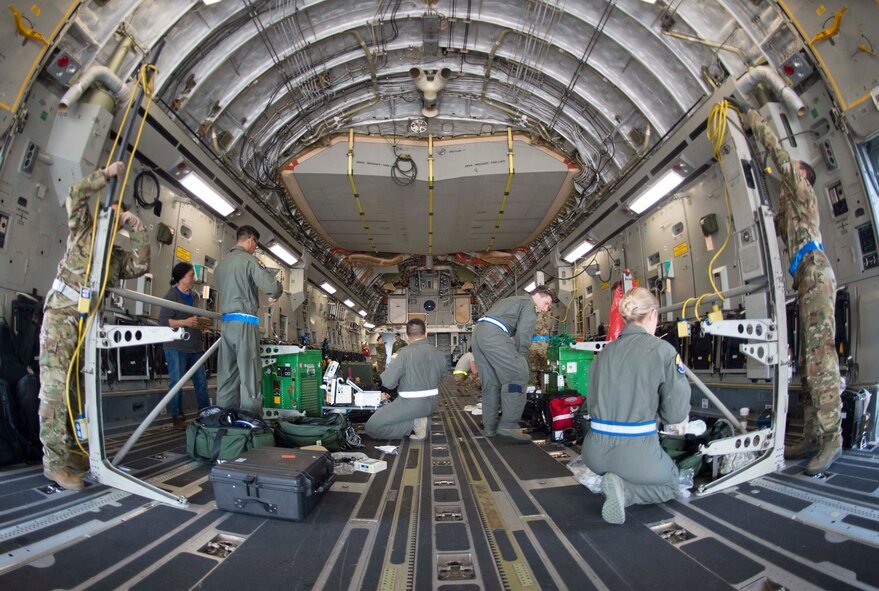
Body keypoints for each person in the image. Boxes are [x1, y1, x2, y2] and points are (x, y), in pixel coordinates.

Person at [39, 161, 150, 491]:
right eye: (112, 214)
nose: (114, 221)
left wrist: (139, 228)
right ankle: (53, 463)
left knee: (77, 393)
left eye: (120, 218)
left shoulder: (115, 257)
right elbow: (75, 193)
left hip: (86, 326)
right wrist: (106, 175)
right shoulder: (83, 230)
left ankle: (73, 450)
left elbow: (141, 263)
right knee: (56, 389)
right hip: (61, 316)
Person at [748, 109, 842, 474]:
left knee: (821, 358)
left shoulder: (802, 192)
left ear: (802, 177)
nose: (784, 178)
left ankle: (832, 437)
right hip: (804, 277)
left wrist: (757, 124)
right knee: (807, 361)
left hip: (815, 273)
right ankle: (815, 434)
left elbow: (781, 160)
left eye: (791, 173)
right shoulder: (791, 209)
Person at [581, 288, 690, 525]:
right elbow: (675, 414)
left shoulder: (603, 355)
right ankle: (626, 491)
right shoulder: (662, 350)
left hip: (594, 454)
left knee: (627, 464)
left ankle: (613, 480)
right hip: (636, 453)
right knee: (671, 483)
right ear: (652, 315)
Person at [471, 285, 557, 440]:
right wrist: (520, 357)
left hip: (478, 332)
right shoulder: (528, 304)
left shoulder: (512, 300)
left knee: (491, 383)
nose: (545, 309)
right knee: (518, 375)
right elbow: (523, 334)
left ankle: (490, 428)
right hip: (494, 333)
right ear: (537, 295)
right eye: (546, 303)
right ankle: (509, 425)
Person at [214, 225, 283, 415]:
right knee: (250, 376)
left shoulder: (222, 264)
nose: (255, 249)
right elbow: (271, 286)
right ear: (251, 239)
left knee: (227, 377)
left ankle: (224, 419)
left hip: (226, 324)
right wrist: (277, 291)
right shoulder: (249, 260)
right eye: (256, 245)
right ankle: (251, 422)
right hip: (245, 323)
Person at [365, 319, 447, 440]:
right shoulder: (439, 354)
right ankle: (420, 420)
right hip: (432, 403)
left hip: (410, 403)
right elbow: (443, 376)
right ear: (426, 333)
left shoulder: (403, 353)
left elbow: (388, 383)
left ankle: (415, 423)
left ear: (407, 336)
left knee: (372, 427)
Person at [159, 262, 211, 430]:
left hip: (195, 346)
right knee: (177, 382)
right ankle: (177, 416)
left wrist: (201, 323)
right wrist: (185, 322)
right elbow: (164, 321)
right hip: (176, 347)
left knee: (201, 382)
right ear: (181, 278)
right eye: (191, 276)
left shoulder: (195, 296)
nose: (194, 279)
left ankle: (204, 413)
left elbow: (194, 317)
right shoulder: (171, 296)